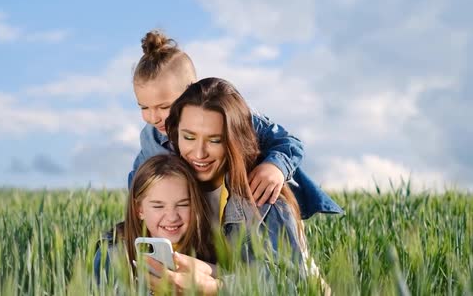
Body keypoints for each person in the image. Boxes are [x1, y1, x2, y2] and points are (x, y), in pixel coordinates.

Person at [129, 30, 342, 218]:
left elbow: (288, 142)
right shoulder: (152, 138)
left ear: (190, 91)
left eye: (163, 107)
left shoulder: (230, 117)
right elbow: (138, 177)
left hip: (249, 210)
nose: (153, 117)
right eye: (143, 108)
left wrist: (275, 166)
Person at [145, 77, 329, 295]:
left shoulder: (265, 198)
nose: (199, 153)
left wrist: (214, 287)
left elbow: (293, 285)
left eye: (215, 140)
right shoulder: (174, 189)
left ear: (236, 140)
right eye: (189, 137)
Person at [93, 154, 215, 286]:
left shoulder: (208, 253)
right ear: (139, 210)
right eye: (158, 206)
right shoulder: (113, 256)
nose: (172, 217)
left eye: (183, 204)